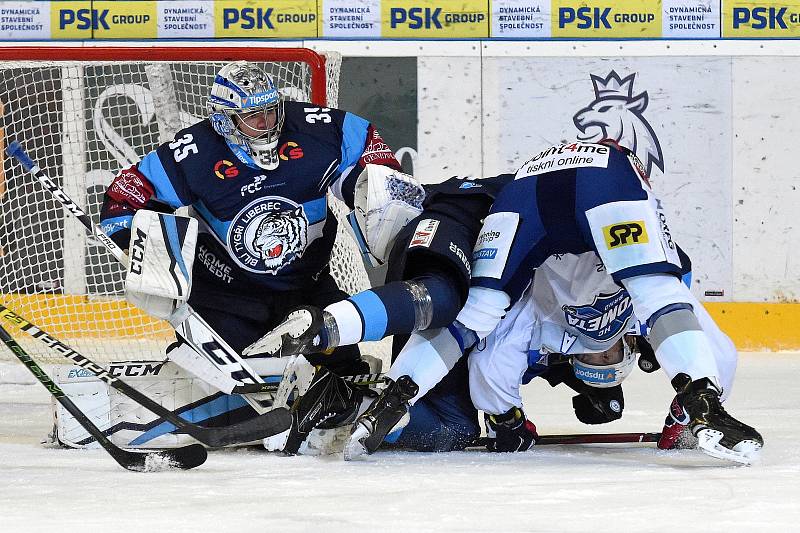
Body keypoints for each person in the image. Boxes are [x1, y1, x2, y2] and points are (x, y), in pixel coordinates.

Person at [455, 140, 762, 464]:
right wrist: (686, 410)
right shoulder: (646, 290)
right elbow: (706, 339)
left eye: (595, 359)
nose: (600, 351)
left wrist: (506, 420)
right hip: (585, 269)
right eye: (607, 357)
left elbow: (490, 367)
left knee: (490, 360)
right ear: (630, 346)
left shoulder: (545, 329)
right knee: (717, 356)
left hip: (555, 287)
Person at [98, 60, 405, 381]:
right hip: (224, 300)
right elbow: (124, 200)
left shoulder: (315, 129)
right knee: (205, 385)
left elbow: (367, 146)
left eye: (272, 110)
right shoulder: (193, 154)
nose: (268, 122)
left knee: (344, 377)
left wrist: (375, 191)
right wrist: (152, 264)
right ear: (226, 121)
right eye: (254, 116)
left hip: (307, 292)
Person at [246, 171, 514, 454]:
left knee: (454, 426)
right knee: (438, 297)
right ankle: (323, 329)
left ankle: (346, 403)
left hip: (428, 255)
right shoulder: (461, 206)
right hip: (444, 236)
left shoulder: (445, 197)